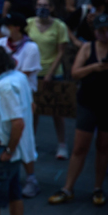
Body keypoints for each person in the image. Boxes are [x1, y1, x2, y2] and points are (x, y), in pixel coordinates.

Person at [48, 13, 108, 207]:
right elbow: (75, 73)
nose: (104, 34)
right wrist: (95, 68)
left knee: (103, 147)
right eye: (100, 31)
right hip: (88, 102)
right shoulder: (87, 48)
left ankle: (98, 187)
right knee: (80, 147)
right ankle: (68, 187)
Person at [0, 45, 36, 215]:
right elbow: (31, 106)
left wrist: (9, 151)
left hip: (1, 148)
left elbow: (18, 123)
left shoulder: (5, 87)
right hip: (13, 146)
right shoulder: (18, 77)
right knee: (14, 192)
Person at [0, 11, 42, 198]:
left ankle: (31, 178)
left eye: (8, 25)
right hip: (1, 96)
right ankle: (8, 176)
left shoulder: (31, 48)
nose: (4, 28)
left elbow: (23, 75)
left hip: (22, 98)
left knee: (24, 137)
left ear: (17, 27)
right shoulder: (0, 44)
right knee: (3, 135)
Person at [27, 0, 71, 161]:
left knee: (57, 111)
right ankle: (31, 142)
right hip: (33, 73)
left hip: (53, 73)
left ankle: (62, 144)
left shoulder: (59, 26)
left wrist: (51, 73)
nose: (42, 8)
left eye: (46, 5)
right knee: (33, 110)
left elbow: (61, 52)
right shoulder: (29, 23)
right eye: (39, 4)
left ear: (52, 8)